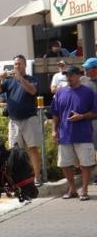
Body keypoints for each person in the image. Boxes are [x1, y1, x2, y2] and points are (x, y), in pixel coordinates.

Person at [0, 54, 43, 187]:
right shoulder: (8, 81)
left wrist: (20, 78)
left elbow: (32, 91)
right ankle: (19, 180)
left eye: (19, 64)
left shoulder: (32, 79)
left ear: (25, 65)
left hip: (29, 119)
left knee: (32, 149)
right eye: (15, 64)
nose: (16, 66)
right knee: (15, 152)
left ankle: (37, 177)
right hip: (14, 121)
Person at [50, 66, 97, 201]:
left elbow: (95, 112)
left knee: (85, 164)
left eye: (71, 75)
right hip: (65, 135)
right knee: (65, 163)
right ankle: (72, 188)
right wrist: (54, 130)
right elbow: (55, 113)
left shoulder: (88, 92)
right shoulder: (60, 92)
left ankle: (85, 189)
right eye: (66, 75)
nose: (68, 77)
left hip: (83, 134)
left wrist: (81, 116)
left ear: (78, 75)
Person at [81, 57, 97, 185]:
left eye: (87, 68)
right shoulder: (85, 83)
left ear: (95, 69)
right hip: (89, 119)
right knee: (92, 148)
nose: (85, 71)